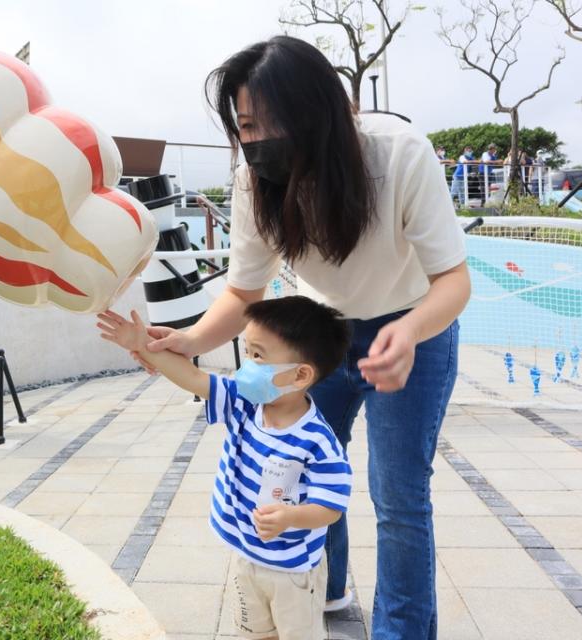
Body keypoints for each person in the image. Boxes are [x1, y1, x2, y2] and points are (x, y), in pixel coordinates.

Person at [135, 36, 470, 639]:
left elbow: (453, 280)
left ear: (322, 109)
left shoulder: (398, 156)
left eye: (271, 121)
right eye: (245, 126)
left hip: (413, 325)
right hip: (319, 336)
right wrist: (187, 342)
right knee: (306, 464)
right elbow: (243, 293)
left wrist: (409, 332)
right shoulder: (252, 182)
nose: (257, 140)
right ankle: (326, 590)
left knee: (397, 498)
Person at [97, 296, 352, 640]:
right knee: (254, 633)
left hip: (293, 572)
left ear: (301, 374)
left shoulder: (318, 441)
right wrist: (140, 344)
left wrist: (291, 518)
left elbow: (331, 508)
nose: (247, 365)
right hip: (246, 555)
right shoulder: (245, 404)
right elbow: (192, 378)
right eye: (247, 352)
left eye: (259, 356)